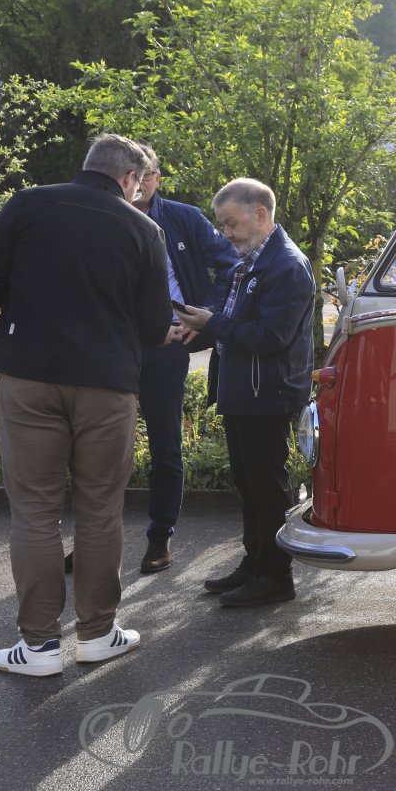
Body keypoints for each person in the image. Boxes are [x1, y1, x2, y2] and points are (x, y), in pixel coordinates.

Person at [0, 134, 171, 676]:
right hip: (106, 384)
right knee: (100, 512)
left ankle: (39, 646)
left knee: (34, 512)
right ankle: (96, 635)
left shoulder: (26, 204)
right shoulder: (144, 230)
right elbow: (154, 326)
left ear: (88, 165)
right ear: (130, 178)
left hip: (28, 376)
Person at [174, 178, 314, 607]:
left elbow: (271, 336)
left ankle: (275, 577)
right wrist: (201, 325)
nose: (226, 234)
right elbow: (235, 323)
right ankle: (254, 565)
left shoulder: (286, 265)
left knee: (266, 487)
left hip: (266, 394)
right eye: (222, 225)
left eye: (231, 223)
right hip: (244, 391)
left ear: (260, 214)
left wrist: (211, 323)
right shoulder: (251, 262)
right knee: (249, 483)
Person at [127, 145, 241, 573]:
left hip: (168, 344)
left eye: (148, 174)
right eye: (134, 174)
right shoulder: (104, 218)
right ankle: (91, 540)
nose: (140, 182)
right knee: (97, 448)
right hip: (113, 347)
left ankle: (160, 537)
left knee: (165, 445)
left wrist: (204, 315)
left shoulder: (183, 217)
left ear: (157, 177)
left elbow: (231, 265)